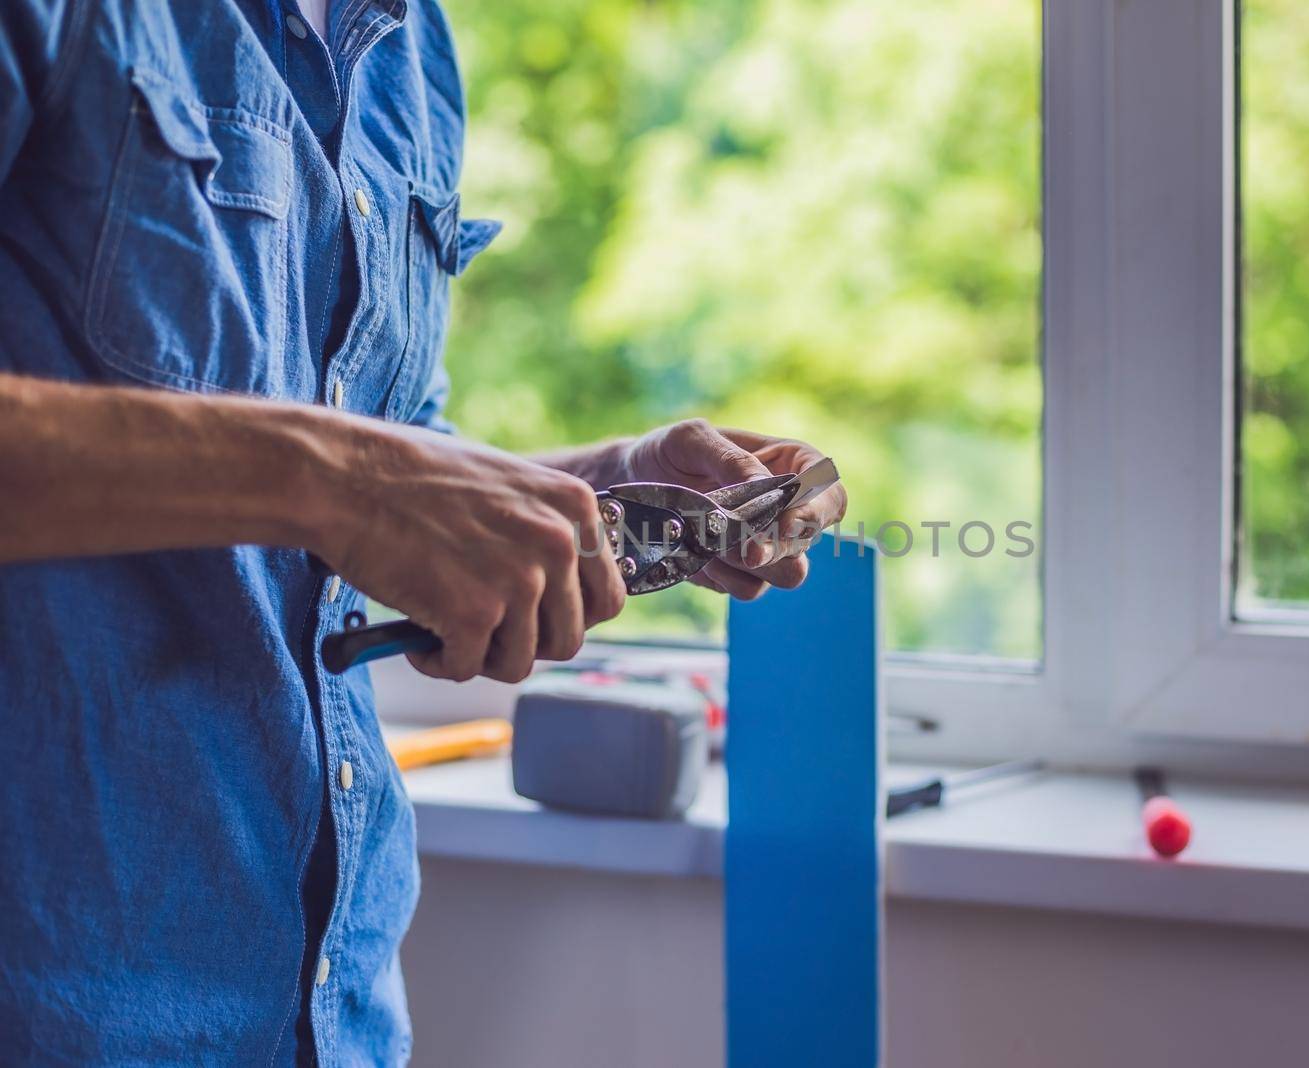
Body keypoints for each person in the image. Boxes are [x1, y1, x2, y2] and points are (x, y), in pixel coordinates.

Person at [0, 1, 847, 1062]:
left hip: (331, 1014)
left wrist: (599, 487)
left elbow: (380, 457)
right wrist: (337, 480)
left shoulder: (409, 46)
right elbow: (345, 475)